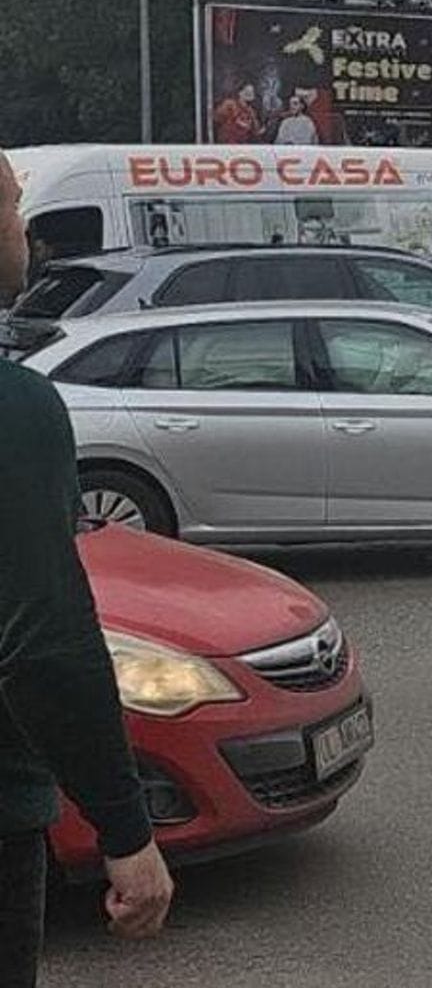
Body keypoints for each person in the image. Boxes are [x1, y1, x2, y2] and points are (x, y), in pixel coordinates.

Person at [0, 152, 174, 986]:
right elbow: (44, 645)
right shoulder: (16, 410)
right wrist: (126, 831)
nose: (25, 230)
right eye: (10, 206)